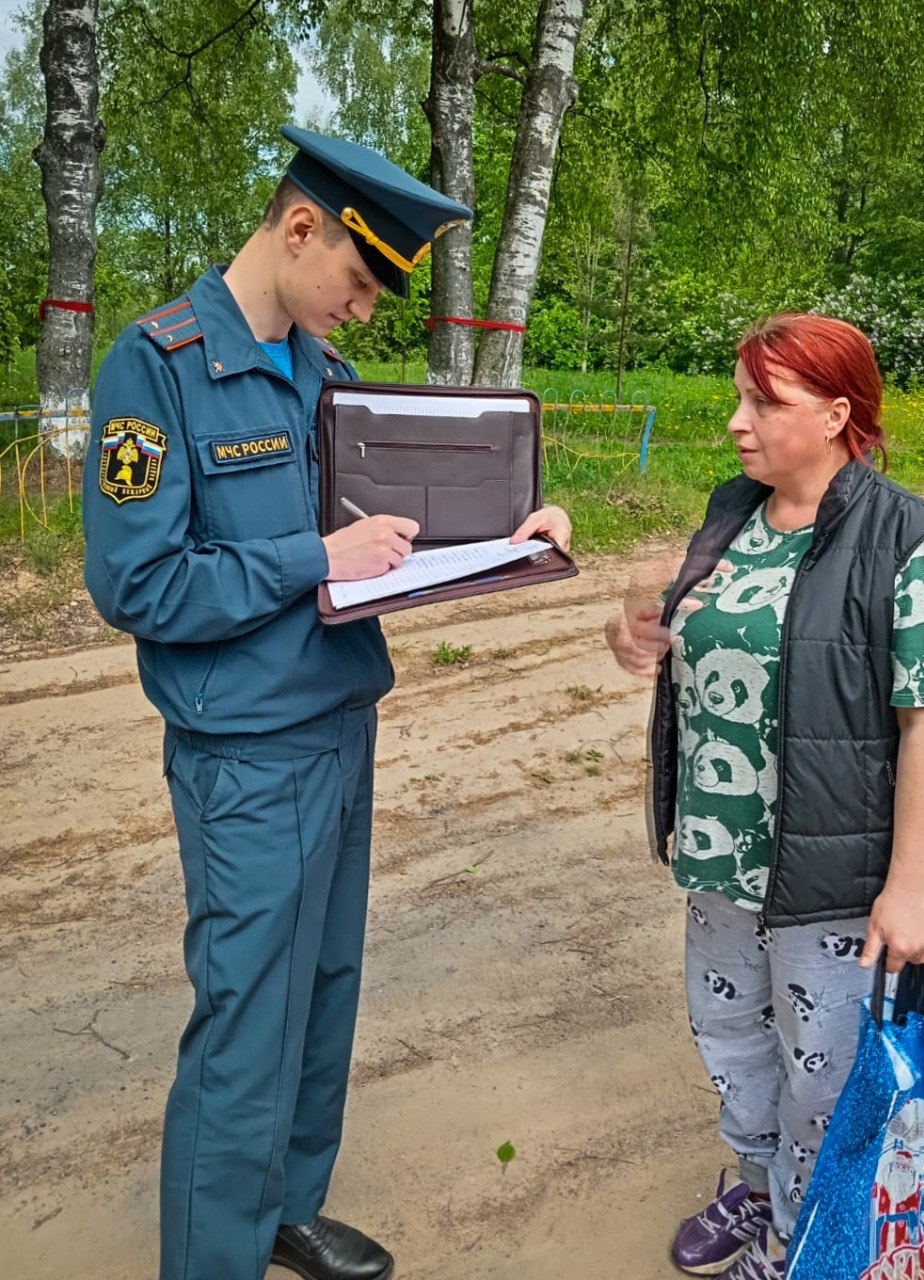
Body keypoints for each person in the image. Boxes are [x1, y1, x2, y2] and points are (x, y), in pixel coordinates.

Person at [82, 124, 571, 1280]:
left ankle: (284, 1207)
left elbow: (392, 533)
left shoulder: (324, 375)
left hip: (339, 721)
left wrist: (515, 536)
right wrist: (312, 558)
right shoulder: (155, 365)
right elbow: (137, 581)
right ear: (299, 228)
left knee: (320, 993)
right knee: (247, 1019)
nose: (361, 311)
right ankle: (213, 1257)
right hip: (244, 750)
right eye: (357, 282)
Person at [605, 313, 924, 1279]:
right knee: (732, 1037)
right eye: (739, 395)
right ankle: (760, 1189)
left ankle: (800, 1238)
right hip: (719, 857)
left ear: (836, 414)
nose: (736, 421)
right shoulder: (733, 508)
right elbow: (684, 625)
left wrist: (906, 890)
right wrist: (637, 634)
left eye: (764, 402)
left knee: (823, 1078)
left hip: (830, 879)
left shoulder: (910, 542)